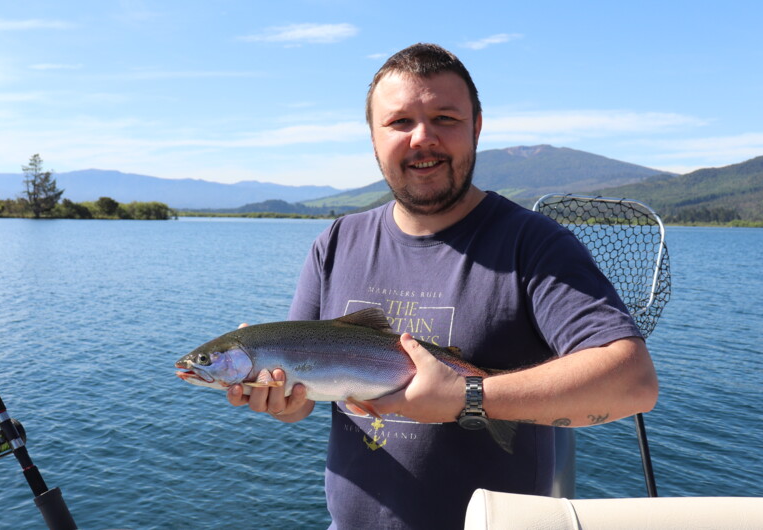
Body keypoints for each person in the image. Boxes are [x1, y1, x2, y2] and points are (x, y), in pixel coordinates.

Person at [226, 43, 658, 529]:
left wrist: (468, 396)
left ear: (476, 126)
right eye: (399, 122)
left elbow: (633, 382)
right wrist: (280, 401)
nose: (422, 138)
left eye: (445, 118)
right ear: (372, 137)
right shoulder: (336, 241)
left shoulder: (535, 245)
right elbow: (300, 401)